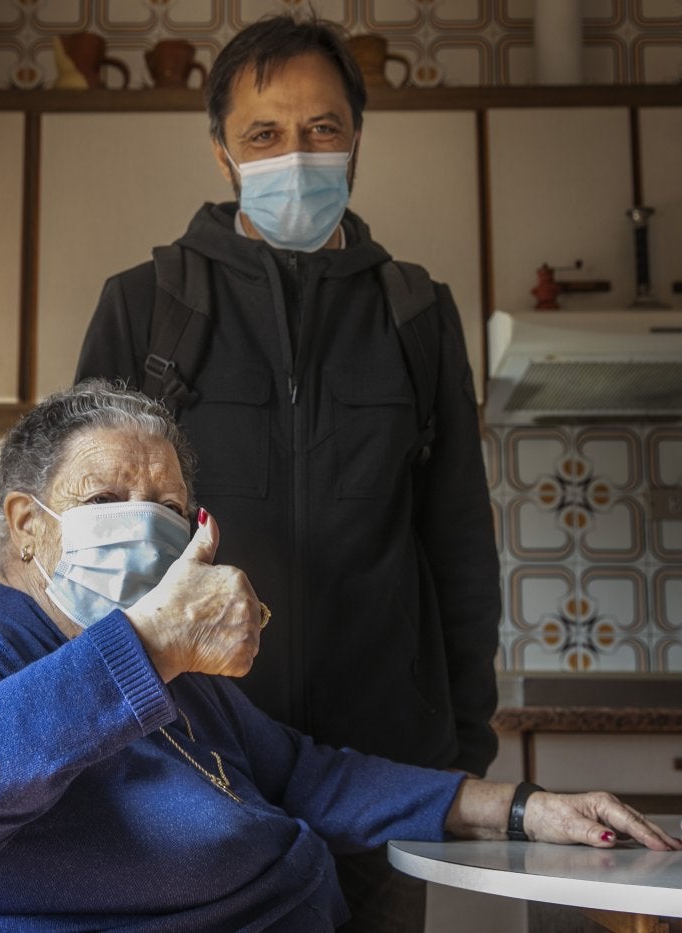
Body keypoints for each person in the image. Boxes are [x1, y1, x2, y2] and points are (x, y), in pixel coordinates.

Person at [0, 381, 682, 932]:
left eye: (167, 505)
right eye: (105, 498)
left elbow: (308, 774)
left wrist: (524, 806)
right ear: (27, 527)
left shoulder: (175, 675)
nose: (142, 521)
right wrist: (151, 642)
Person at [71, 14, 500, 925]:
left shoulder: (418, 315)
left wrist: (463, 749)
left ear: (355, 141)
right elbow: (82, 554)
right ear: (223, 152)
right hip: (200, 767)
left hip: (390, 770)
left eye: (321, 130)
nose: (294, 156)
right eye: (264, 134)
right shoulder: (146, 307)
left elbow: (458, 542)